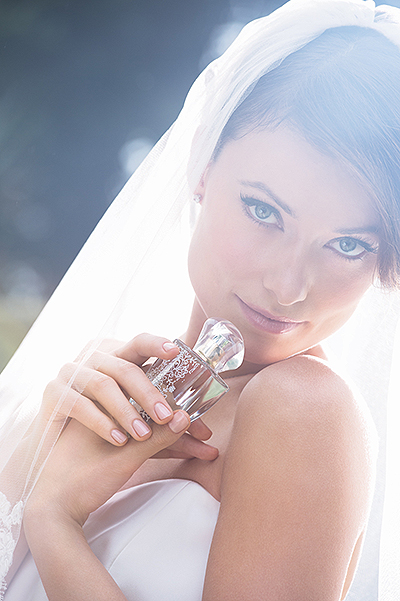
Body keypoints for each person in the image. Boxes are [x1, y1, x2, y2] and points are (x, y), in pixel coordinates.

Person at [1, 0, 400, 599]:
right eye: (264, 211)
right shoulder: (99, 393)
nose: (289, 287)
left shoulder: (302, 410)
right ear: (203, 168)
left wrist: (54, 522)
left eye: (347, 245)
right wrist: (34, 450)